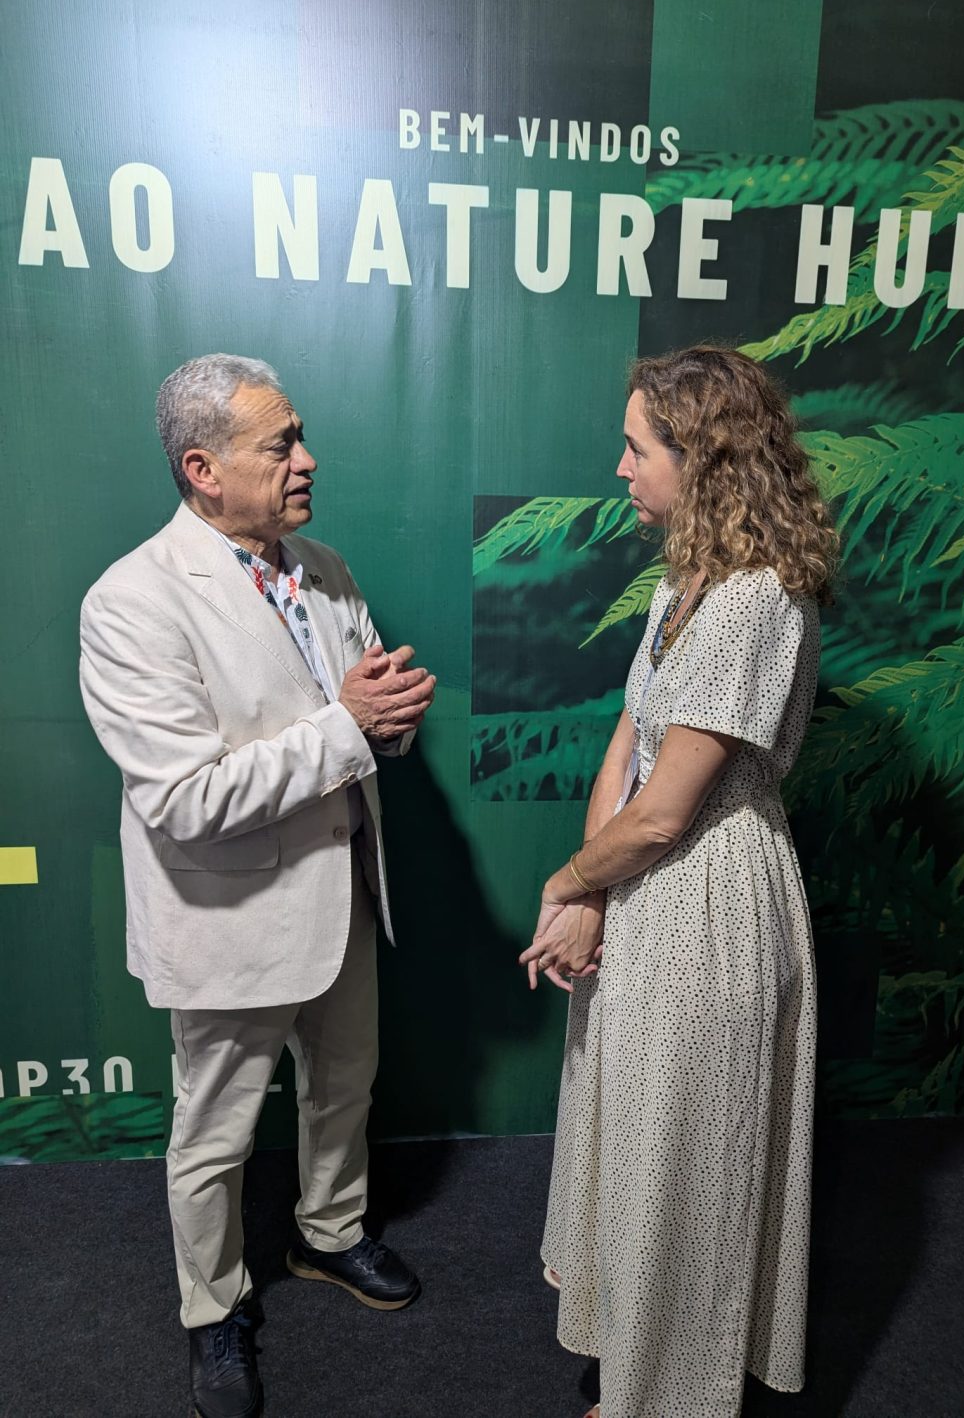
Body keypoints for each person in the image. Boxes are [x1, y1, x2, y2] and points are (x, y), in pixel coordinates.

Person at [79, 354, 436, 1418]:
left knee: (345, 1087)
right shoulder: (131, 602)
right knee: (216, 1133)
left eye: (300, 436)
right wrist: (351, 727)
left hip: (345, 891)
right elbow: (186, 798)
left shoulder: (325, 567)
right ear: (203, 469)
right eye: (280, 445)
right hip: (229, 918)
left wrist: (390, 720)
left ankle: (330, 1232)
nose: (307, 459)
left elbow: (364, 716)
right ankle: (215, 1307)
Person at [520, 345, 838, 1418]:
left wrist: (570, 880)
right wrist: (587, 897)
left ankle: (666, 1398)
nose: (619, 468)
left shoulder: (755, 599)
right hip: (646, 886)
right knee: (640, 1142)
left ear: (701, 459)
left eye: (636, 448)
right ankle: (636, 1368)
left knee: (689, 1167)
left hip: (710, 901)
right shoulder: (680, 583)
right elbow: (629, 744)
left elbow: (667, 810)